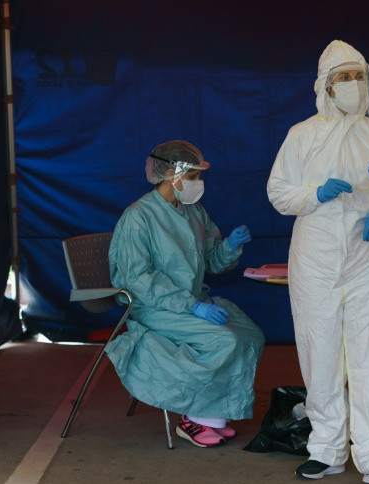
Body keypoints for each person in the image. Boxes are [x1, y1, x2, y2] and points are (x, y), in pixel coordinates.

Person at [267, 40, 369, 484]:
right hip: (316, 253)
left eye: (358, 76)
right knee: (320, 350)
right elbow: (278, 193)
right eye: (343, 77)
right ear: (325, 86)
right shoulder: (301, 135)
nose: (352, 84)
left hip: (364, 252)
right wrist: (315, 194)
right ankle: (326, 449)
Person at [105, 140, 265, 448]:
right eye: (192, 176)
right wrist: (191, 306)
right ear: (170, 174)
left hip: (190, 303)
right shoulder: (138, 217)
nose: (197, 183)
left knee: (250, 335)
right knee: (224, 340)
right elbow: (137, 278)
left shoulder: (193, 211)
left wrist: (230, 246)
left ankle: (213, 418)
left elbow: (211, 262)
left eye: (198, 176)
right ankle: (192, 419)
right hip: (155, 307)